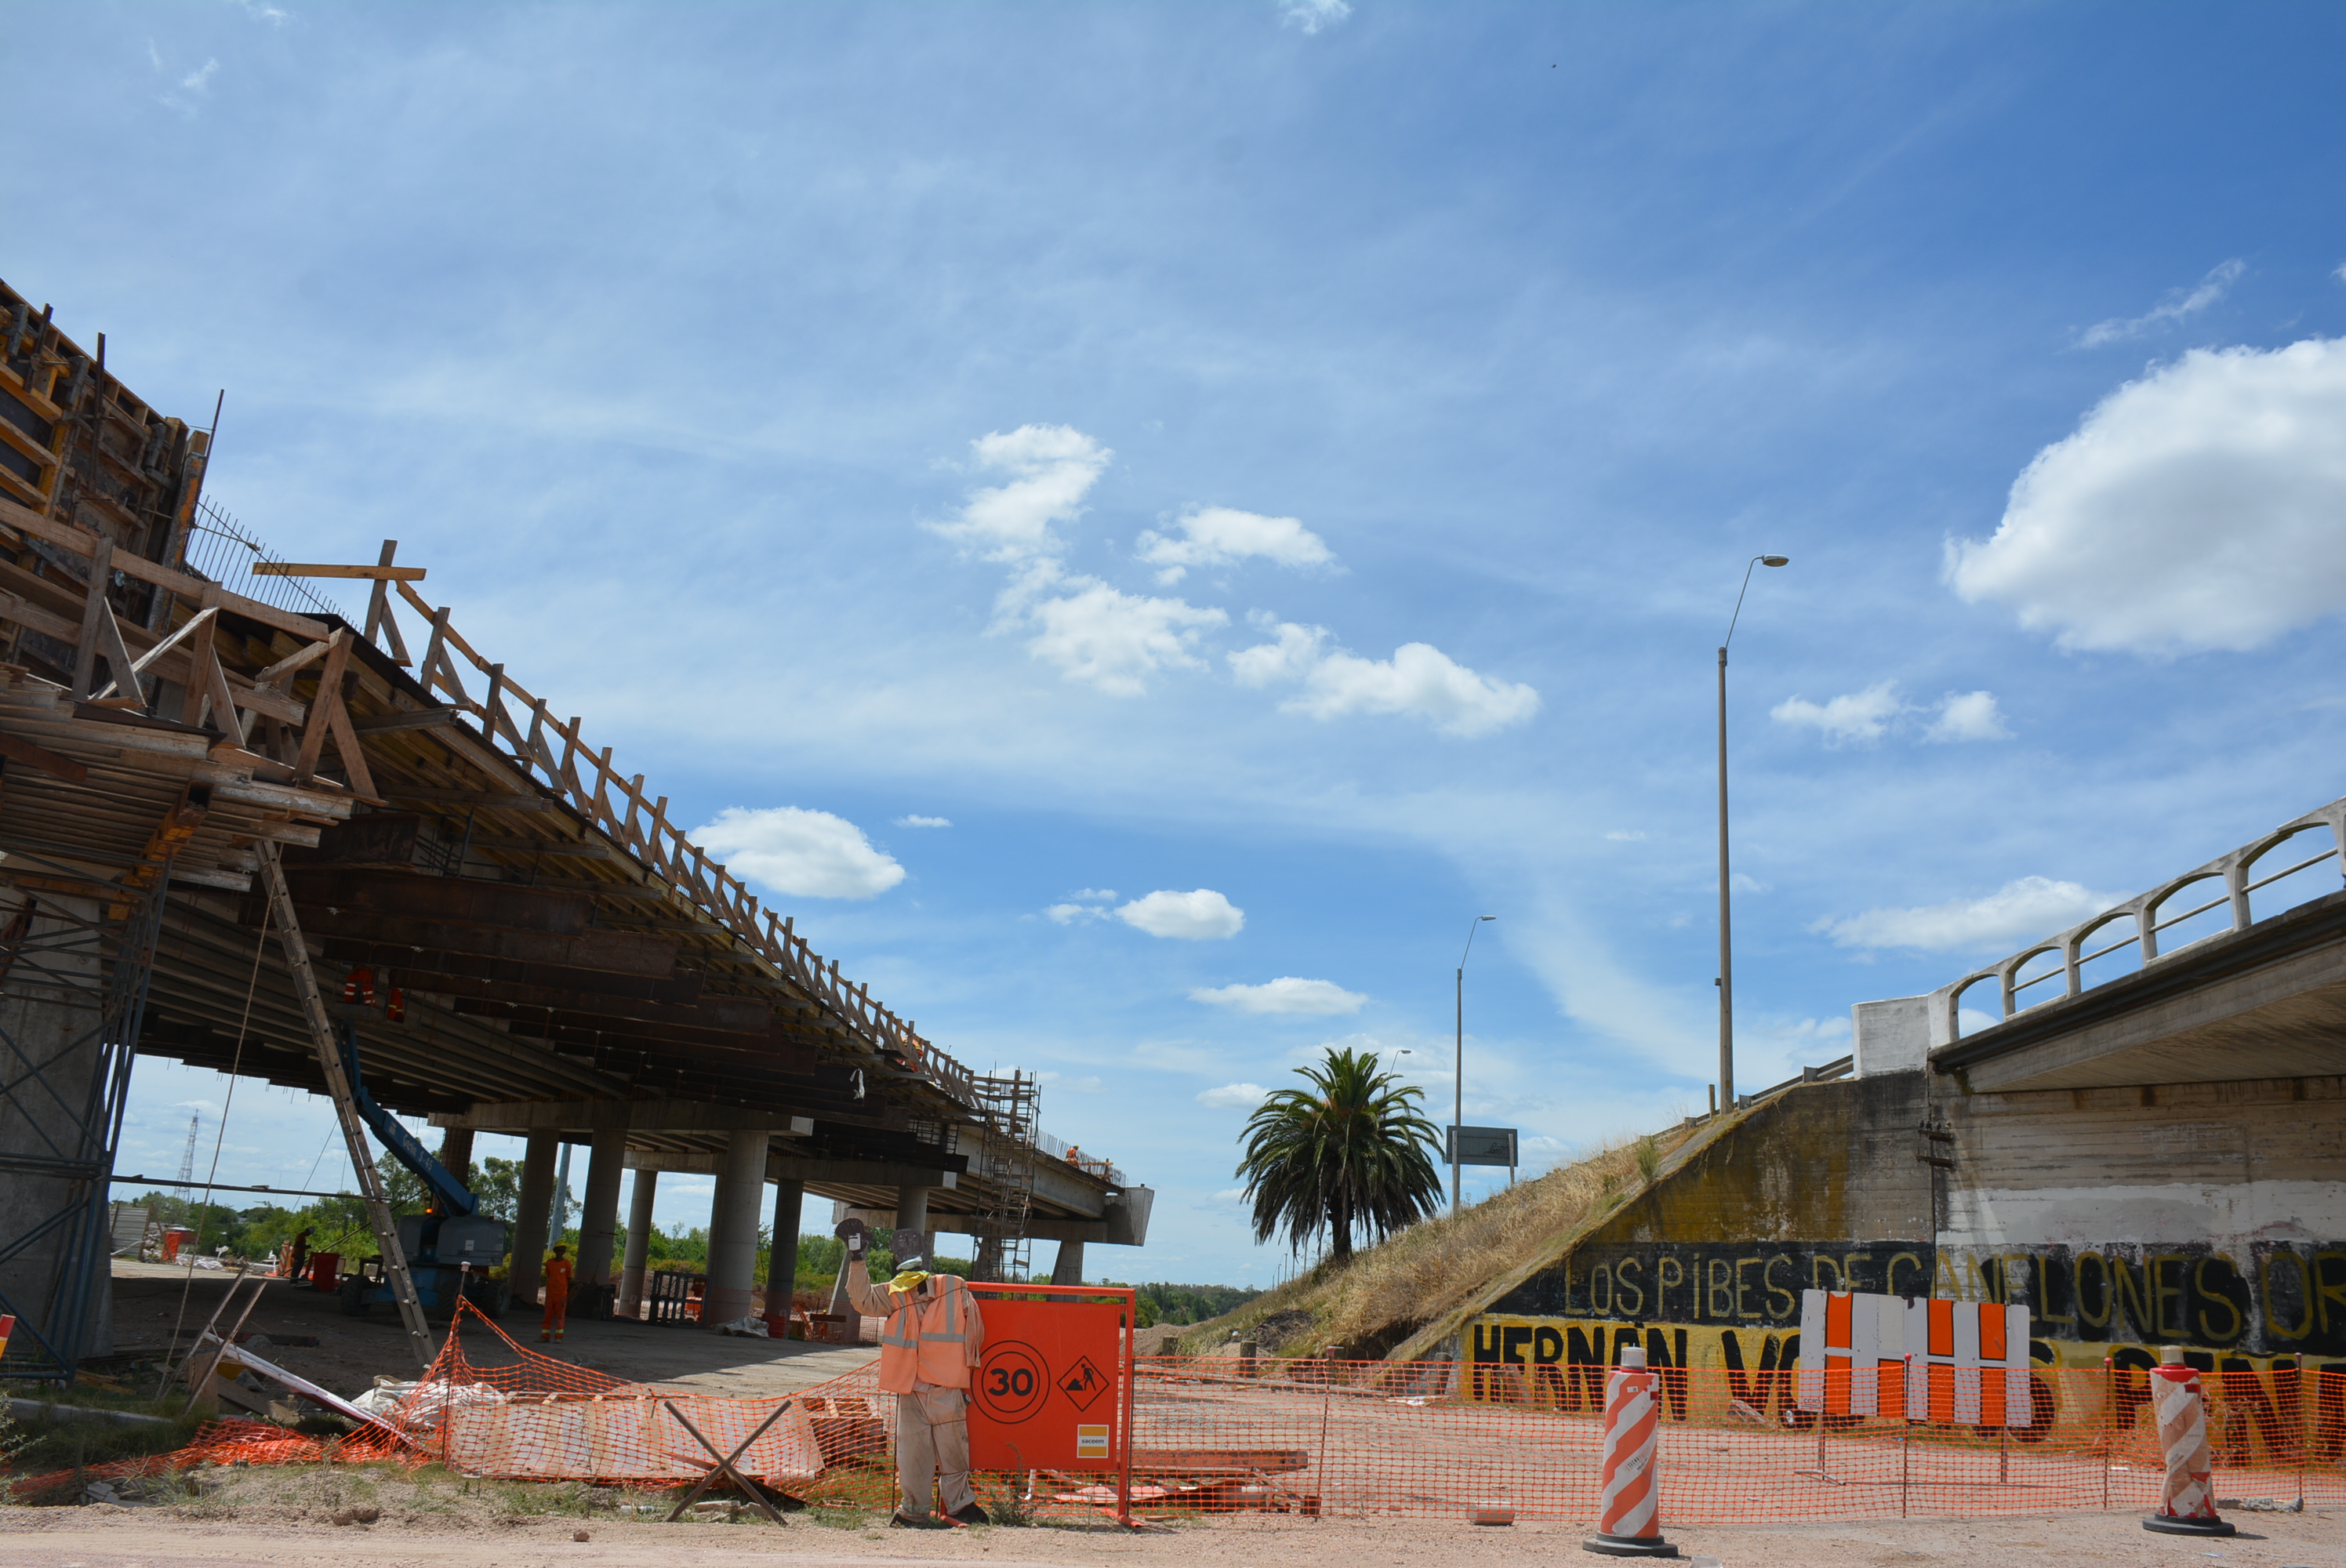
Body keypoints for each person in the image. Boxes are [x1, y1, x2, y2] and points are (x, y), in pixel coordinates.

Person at [837, 1218, 986, 1528]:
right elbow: (862, 1298)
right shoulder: (907, 1292)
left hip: (939, 1384)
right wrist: (856, 1259)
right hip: (918, 1386)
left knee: (948, 1451)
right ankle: (918, 1511)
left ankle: (952, 1508)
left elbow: (974, 1332)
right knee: (918, 1453)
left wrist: (966, 1372)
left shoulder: (951, 1287)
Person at [541, 1243, 573, 1343]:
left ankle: (559, 1337)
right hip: (550, 1295)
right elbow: (549, 1275)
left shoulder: (567, 1264)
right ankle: (545, 1336)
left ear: (564, 1252)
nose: (560, 1252)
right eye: (558, 1250)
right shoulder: (549, 1263)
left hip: (561, 1295)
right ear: (555, 1251)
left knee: (560, 1317)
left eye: (562, 1250)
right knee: (547, 1316)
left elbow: (569, 1277)